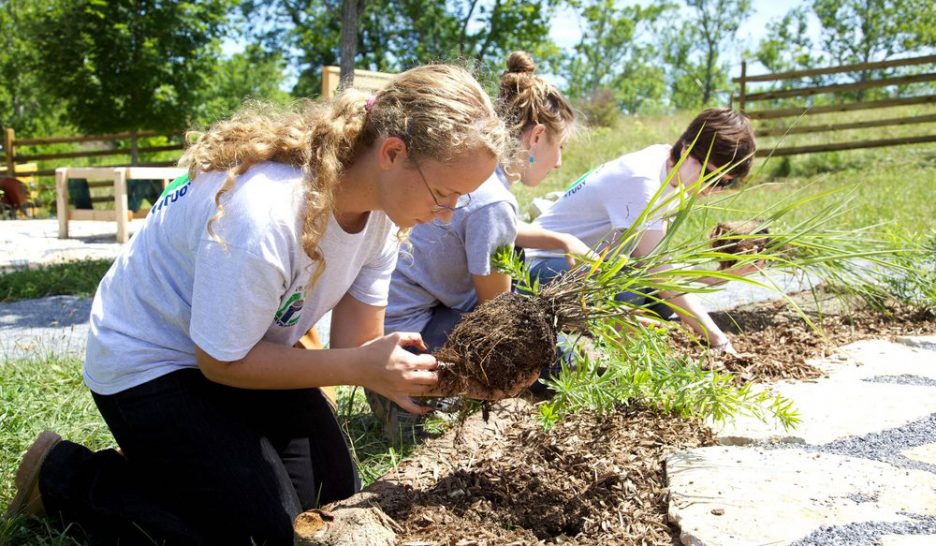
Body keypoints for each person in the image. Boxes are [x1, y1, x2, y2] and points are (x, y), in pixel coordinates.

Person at [5, 64, 532, 545]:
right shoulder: (266, 214)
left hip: (245, 348)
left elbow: (357, 345)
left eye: (460, 200)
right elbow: (220, 362)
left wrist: (451, 377)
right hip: (153, 363)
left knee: (333, 504)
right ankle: (66, 476)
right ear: (392, 154)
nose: (447, 214)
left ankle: (187, 459)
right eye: (443, 193)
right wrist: (360, 366)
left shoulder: (381, 216)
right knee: (267, 535)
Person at [367, 51, 587, 439]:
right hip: (410, 348)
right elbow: (497, 319)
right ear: (537, 136)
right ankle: (429, 404)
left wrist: (560, 239)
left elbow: (494, 225)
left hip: (383, 335)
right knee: (557, 358)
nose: (557, 163)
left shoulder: (469, 178)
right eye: (560, 147)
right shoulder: (493, 200)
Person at [525, 108, 758, 353]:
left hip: (589, 264)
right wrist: (719, 340)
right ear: (688, 151)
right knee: (630, 293)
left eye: (726, 182)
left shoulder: (670, 171)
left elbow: (658, 264)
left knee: (657, 299)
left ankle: (612, 321)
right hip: (541, 265)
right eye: (712, 177)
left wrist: (719, 276)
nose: (715, 189)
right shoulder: (643, 182)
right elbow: (660, 276)